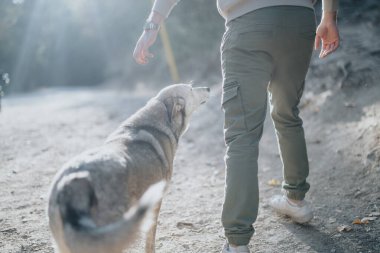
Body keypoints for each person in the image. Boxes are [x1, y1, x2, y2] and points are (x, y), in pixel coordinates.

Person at [133, 0, 340, 252]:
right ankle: (296, 200)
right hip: (298, 20)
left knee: (242, 134)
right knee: (288, 113)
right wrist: (329, 15)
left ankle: (237, 242)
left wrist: (152, 25)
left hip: (248, 23)